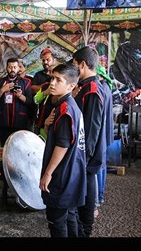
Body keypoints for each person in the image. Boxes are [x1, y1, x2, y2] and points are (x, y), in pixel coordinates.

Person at [39, 64, 86, 238]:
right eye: (52, 78)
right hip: (73, 173)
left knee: (57, 221)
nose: (52, 83)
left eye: (58, 80)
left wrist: (48, 173)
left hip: (62, 175)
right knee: (70, 216)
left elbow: (63, 145)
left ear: (71, 86)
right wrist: (46, 125)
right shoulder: (69, 106)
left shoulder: (65, 109)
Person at [71, 46, 106, 237]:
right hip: (83, 158)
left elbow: (91, 133)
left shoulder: (91, 90)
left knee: (84, 213)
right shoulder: (85, 88)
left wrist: (82, 161)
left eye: (75, 65)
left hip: (86, 159)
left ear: (83, 64)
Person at [0, 57, 33, 146]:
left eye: (14, 67)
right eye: (10, 67)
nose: (12, 69)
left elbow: (30, 102)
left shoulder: (26, 82)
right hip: (4, 121)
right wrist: (3, 89)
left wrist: (20, 96)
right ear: (6, 68)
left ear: (18, 68)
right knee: (4, 145)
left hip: (20, 121)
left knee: (19, 146)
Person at [95, 65, 114, 214]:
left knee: (99, 166)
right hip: (105, 133)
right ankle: (100, 196)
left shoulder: (101, 88)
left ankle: (99, 197)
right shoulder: (106, 87)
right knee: (102, 165)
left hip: (101, 134)